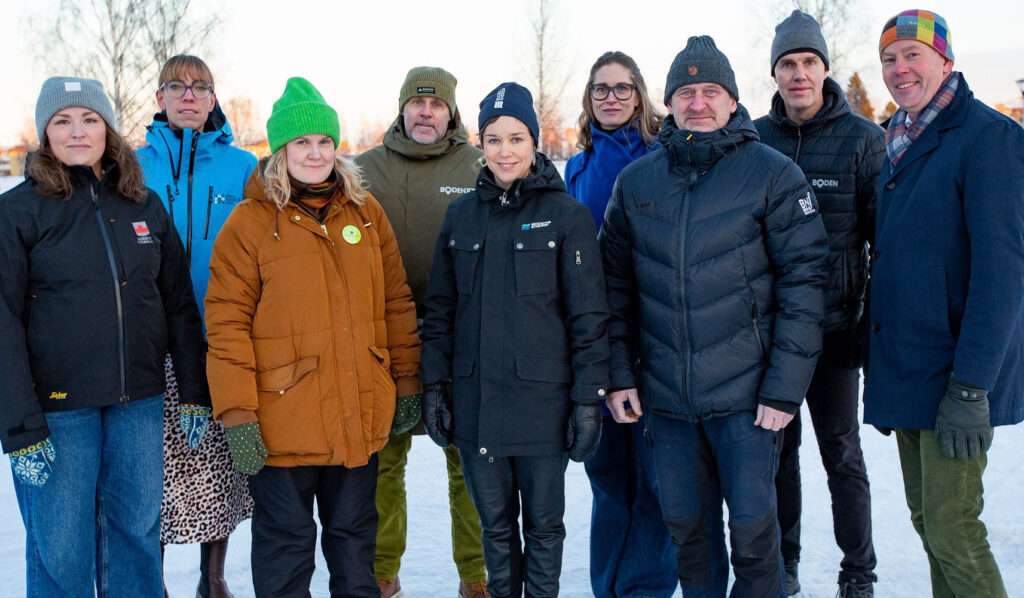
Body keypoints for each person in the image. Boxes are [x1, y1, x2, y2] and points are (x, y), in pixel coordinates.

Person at [601, 36, 829, 597]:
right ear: (670, 103)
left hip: (748, 401)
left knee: (754, 536)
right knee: (689, 536)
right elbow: (613, 289)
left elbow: (805, 283)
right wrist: (619, 374)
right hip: (669, 401)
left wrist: (783, 390)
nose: (697, 103)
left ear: (731, 101)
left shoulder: (772, 174)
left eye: (710, 92)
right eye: (685, 92)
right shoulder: (638, 183)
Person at [204, 77, 421, 597]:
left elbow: (395, 302)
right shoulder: (249, 223)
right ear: (280, 150)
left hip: (356, 417)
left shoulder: (366, 215)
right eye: (302, 142)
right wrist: (236, 415)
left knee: (355, 548)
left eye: (324, 141)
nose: (315, 153)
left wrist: (408, 380)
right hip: (281, 426)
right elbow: (226, 323)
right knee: (285, 553)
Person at [0, 76, 208, 597]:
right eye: (63, 121)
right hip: (57, 411)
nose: (77, 132)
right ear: (44, 132)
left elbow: (178, 303)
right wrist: (21, 427)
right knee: (60, 547)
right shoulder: (18, 211)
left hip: (137, 401)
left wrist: (195, 393)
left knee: (136, 534)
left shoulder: (143, 205)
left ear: (108, 130)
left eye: (90, 119)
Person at [420, 82, 609, 598]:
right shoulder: (461, 217)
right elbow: (440, 311)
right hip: (478, 403)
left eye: (517, 139)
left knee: (544, 530)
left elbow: (589, 318)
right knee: (495, 531)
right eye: (494, 139)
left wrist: (588, 401)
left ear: (535, 142)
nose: (505, 151)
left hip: (544, 408)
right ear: (481, 143)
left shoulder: (566, 216)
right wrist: (436, 385)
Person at [866, 10, 1024, 598]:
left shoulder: (990, 138)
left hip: (957, 375)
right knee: (929, 523)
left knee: (955, 528)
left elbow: (1003, 274)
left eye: (913, 55)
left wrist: (971, 387)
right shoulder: (899, 138)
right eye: (889, 58)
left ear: (946, 62)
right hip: (910, 365)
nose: (899, 68)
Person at [753, 11, 884, 597]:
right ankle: (787, 566)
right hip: (771, 336)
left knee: (841, 455)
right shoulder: (755, 138)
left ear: (824, 68)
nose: (799, 74)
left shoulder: (863, 140)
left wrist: (864, 324)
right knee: (778, 455)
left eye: (809, 62)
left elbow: (885, 243)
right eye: (788, 64)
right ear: (775, 73)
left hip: (834, 334)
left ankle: (858, 571)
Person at [355, 66, 487, 598]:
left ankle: (475, 578)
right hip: (385, 340)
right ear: (402, 108)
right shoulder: (363, 169)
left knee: (468, 466)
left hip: (461, 338)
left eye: (436, 105)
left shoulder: (479, 164)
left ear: (452, 112)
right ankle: (381, 575)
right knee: (384, 467)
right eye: (417, 103)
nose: (425, 112)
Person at [137, 53, 256, 598]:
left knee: (219, 469)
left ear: (214, 100)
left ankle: (214, 579)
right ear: (159, 97)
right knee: (150, 472)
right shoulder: (132, 167)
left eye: (200, 87)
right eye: (176, 86)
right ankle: (150, 580)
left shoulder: (243, 169)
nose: (188, 95)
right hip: (147, 343)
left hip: (221, 340)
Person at [563, 51, 677, 598]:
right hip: (596, 338)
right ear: (589, 98)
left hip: (654, 335)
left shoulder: (661, 155)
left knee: (654, 480)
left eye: (622, 88)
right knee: (607, 476)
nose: (611, 97)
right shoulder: (577, 165)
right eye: (601, 88)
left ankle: (647, 587)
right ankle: (607, 584)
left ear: (641, 95)